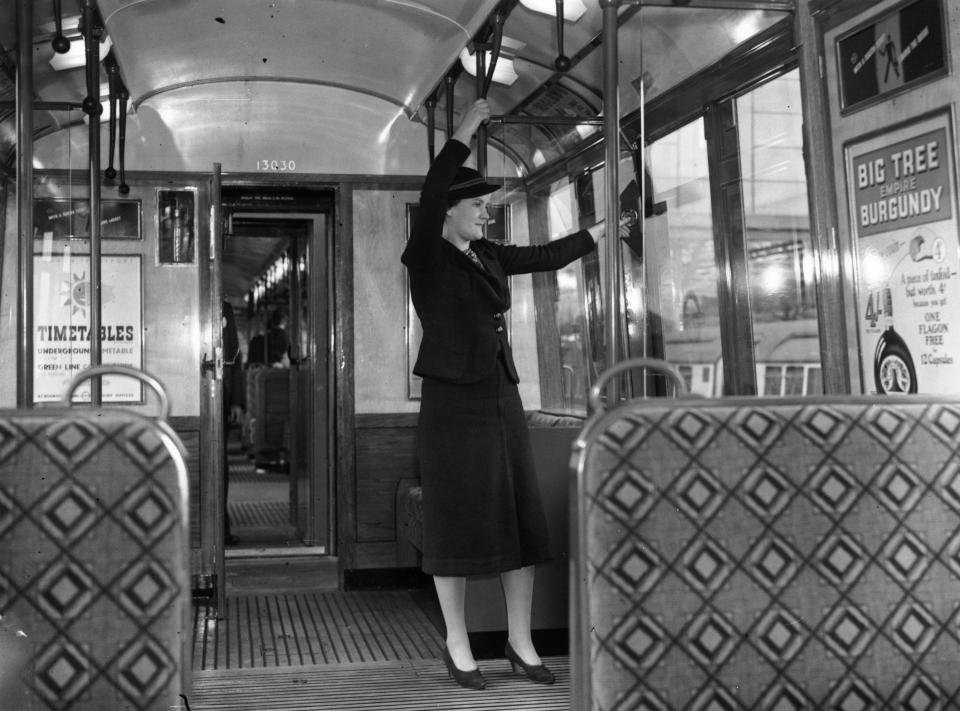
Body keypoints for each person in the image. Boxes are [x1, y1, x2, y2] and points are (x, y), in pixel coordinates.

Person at [401, 98, 619, 690]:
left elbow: (545, 256)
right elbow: (433, 189)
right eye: (476, 207)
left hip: (501, 396)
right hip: (452, 405)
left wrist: (597, 234)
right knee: (459, 524)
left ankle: (520, 643)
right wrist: (466, 131)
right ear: (446, 213)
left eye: (486, 208)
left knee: (517, 523)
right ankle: (457, 642)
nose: (485, 216)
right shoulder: (426, 254)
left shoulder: (490, 254)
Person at [222, 300, 245, 545]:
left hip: (222, 396)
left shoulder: (224, 308)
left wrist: (237, 401)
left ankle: (222, 526)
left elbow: (235, 357)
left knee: (220, 462)